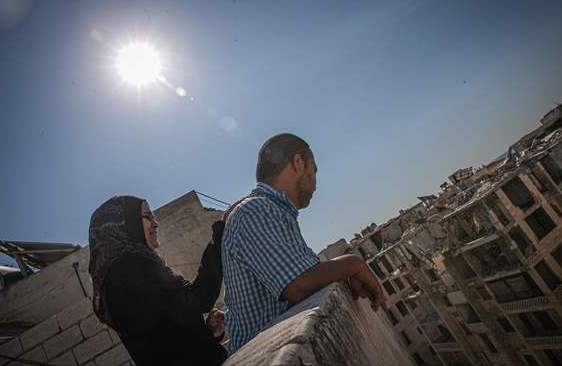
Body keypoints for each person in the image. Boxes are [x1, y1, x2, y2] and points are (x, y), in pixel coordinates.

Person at [222, 133, 385, 353]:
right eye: (314, 170)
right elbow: (299, 285)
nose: (315, 183)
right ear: (298, 163)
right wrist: (353, 264)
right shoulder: (255, 210)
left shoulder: (271, 210)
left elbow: (307, 274)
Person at [88, 195, 227, 366]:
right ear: (126, 224)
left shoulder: (118, 274)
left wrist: (209, 331)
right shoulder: (129, 266)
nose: (156, 223)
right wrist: (219, 238)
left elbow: (167, 334)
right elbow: (198, 299)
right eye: (147, 216)